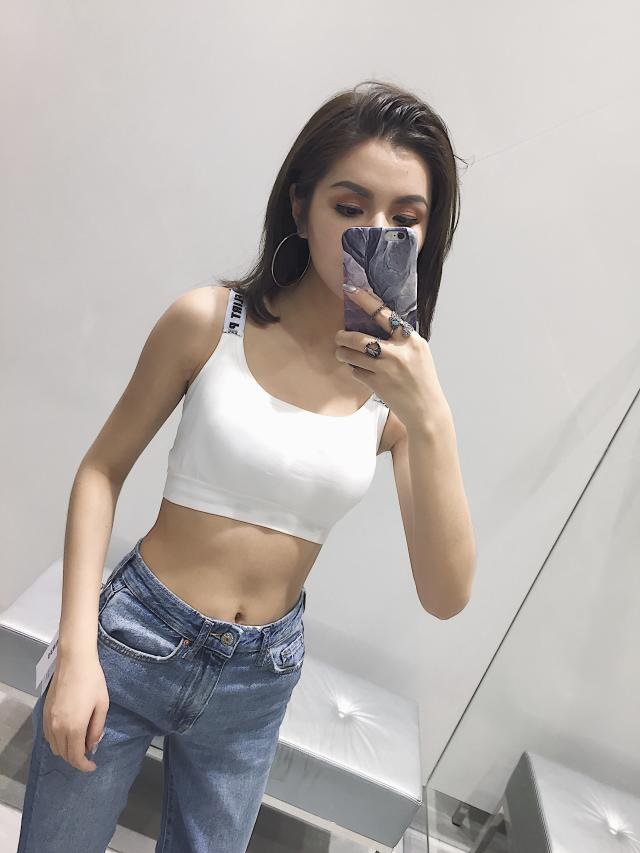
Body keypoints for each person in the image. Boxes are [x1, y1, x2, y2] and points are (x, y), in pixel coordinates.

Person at [17, 79, 467, 852]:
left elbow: (445, 593)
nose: (374, 234)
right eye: (349, 206)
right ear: (301, 205)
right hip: (135, 638)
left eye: (405, 219)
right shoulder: (210, 322)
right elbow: (100, 470)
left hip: (259, 677)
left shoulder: (398, 398)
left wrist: (433, 414)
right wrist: (77, 649)